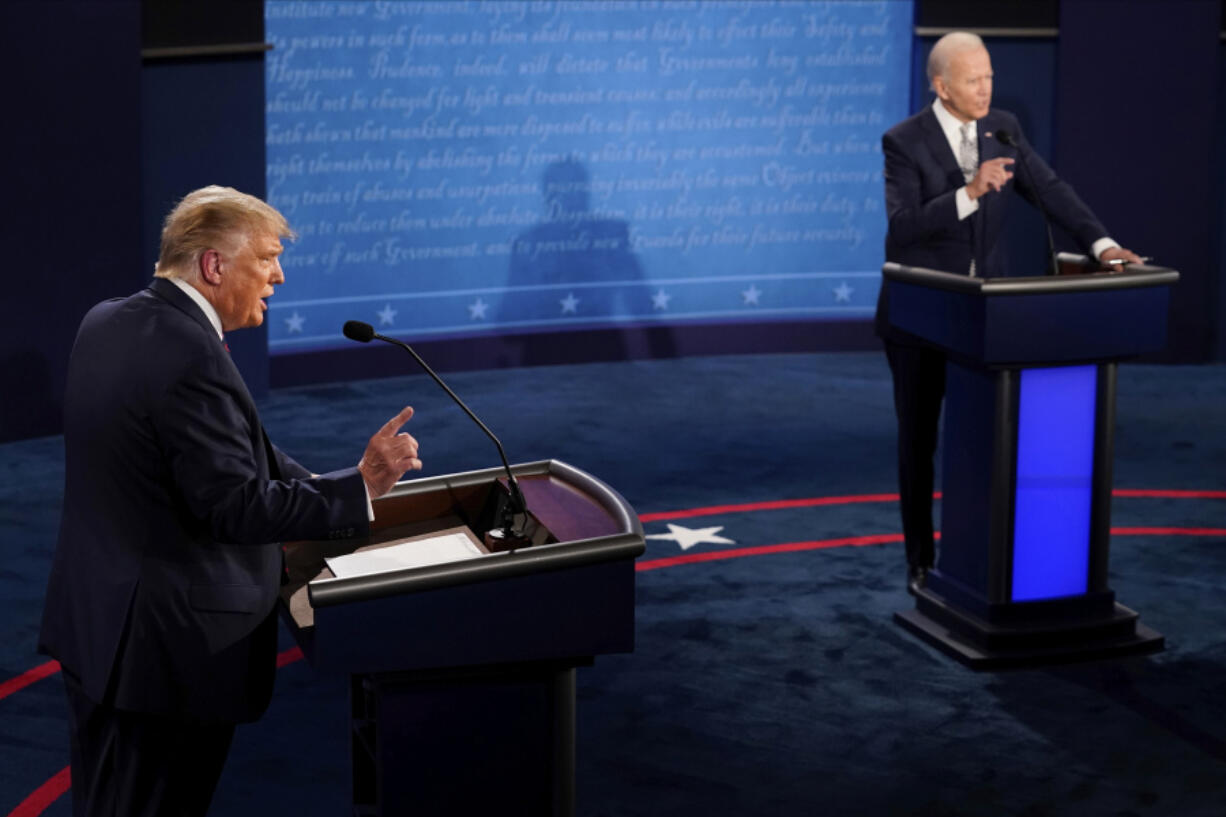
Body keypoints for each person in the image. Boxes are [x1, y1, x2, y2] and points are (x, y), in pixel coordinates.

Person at [38, 185, 424, 816]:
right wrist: (363, 488)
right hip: (166, 656)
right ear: (214, 265)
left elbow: (244, 460)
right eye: (267, 258)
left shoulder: (111, 320)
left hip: (100, 629)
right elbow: (235, 506)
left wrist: (349, 486)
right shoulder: (190, 352)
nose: (279, 274)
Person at [876, 32, 1142, 592]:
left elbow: (1051, 190)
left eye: (990, 75)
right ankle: (920, 560)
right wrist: (970, 191)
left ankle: (980, 557)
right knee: (919, 440)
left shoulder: (1003, 128)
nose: (985, 88)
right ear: (941, 86)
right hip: (920, 314)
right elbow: (902, 227)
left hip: (987, 316)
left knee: (985, 435)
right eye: (973, 80)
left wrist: (1104, 246)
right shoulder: (903, 141)